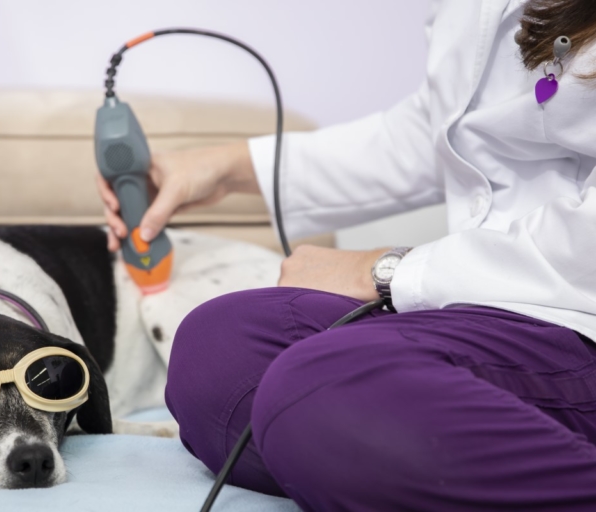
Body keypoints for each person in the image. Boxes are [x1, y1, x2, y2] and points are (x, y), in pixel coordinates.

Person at [97, 0, 596, 509]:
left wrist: (382, 270)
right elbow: (450, 126)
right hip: (491, 305)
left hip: (578, 315)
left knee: (317, 387)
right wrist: (225, 169)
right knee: (218, 352)